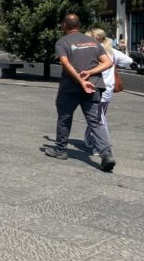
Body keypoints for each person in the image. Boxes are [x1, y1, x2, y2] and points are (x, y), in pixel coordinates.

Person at [45, 14, 116, 172]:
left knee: (65, 117)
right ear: (79, 25)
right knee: (95, 121)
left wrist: (80, 79)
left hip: (71, 88)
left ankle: (61, 149)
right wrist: (90, 73)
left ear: (65, 25)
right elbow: (108, 63)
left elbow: (65, 63)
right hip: (93, 86)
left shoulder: (62, 42)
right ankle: (106, 153)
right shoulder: (93, 42)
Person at [84, 29, 133, 153]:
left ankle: (102, 147)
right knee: (98, 115)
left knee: (98, 118)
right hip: (108, 88)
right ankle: (89, 140)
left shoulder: (92, 51)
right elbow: (129, 60)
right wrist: (115, 64)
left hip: (96, 87)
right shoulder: (111, 51)